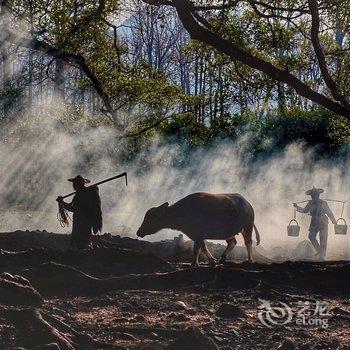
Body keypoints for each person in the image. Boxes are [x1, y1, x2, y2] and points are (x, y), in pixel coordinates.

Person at [56, 175, 102, 249]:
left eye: (74, 183)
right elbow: (73, 207)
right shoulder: (80, 194)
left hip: (82, 223)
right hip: (82, 222)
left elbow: (73, 208)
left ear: (78, 184)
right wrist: (62, 202)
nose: (73, 185)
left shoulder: (81, 195)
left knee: (80, 242)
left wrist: (62, 202)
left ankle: (83, 256)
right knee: (82, 241)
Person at [293, 187, 336, 260]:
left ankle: (322, 256)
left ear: (318, 195)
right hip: (314, 221)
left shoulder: (323, 203)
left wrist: (334, 222)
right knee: (311, 236)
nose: (313, 197)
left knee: (323, 238)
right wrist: (297, 207)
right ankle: (319, 250)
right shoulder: (310, 203)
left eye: (315, 195)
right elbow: (305, 211)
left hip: (323, 221)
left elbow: (329, 213)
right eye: (312, 195)